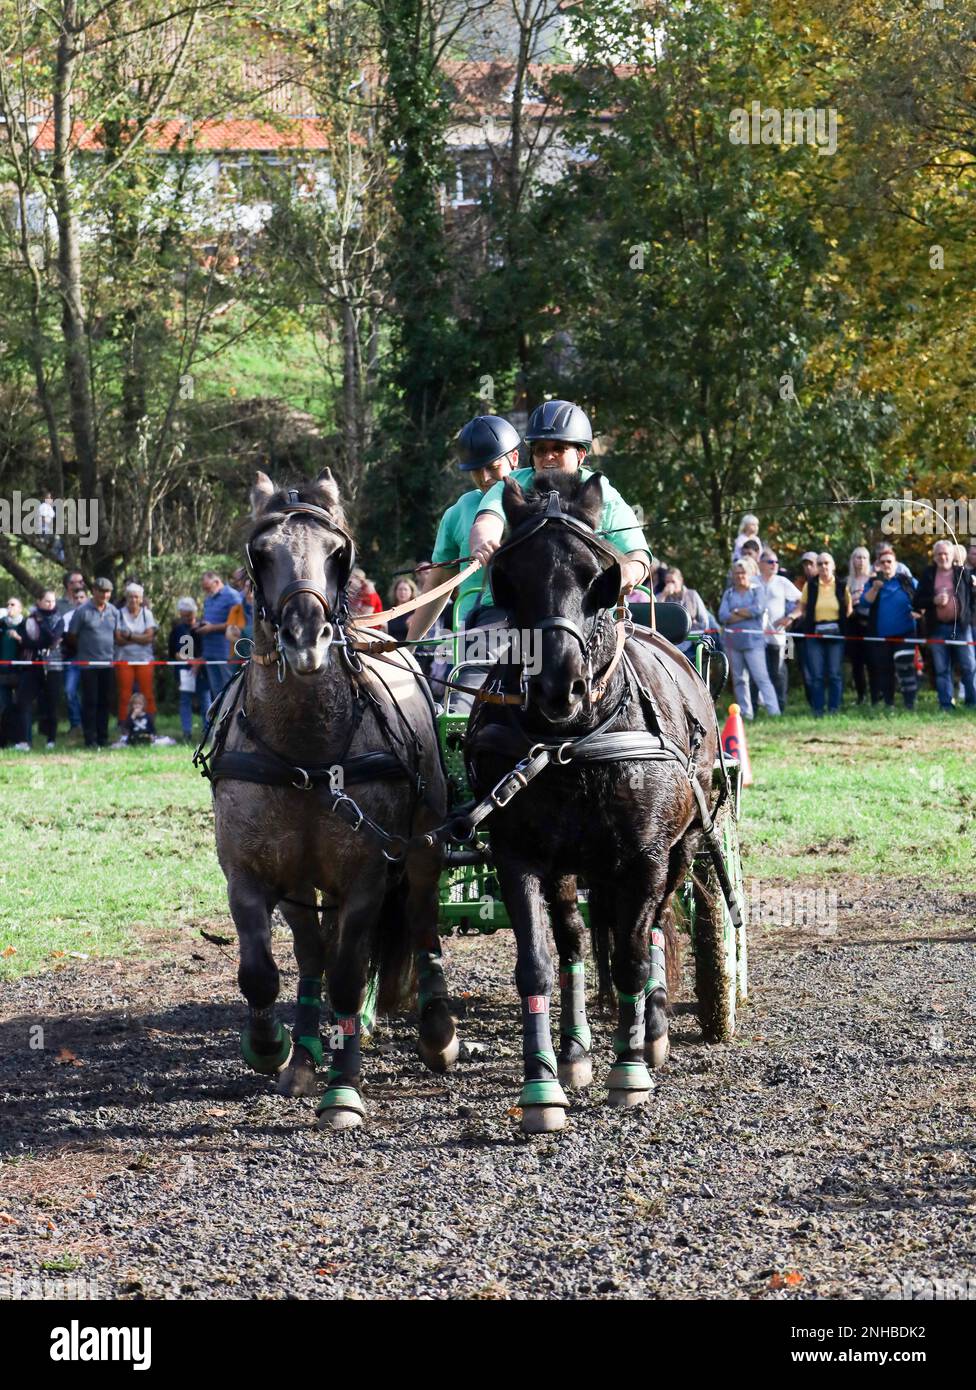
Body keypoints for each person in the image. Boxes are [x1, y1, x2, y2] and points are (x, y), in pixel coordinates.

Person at [468, 399, 652, 599]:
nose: (548, 456)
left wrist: (630, 572)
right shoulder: (510, 484)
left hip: (589, 609)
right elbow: (487, 521)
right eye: (541, 450)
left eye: (558, 448)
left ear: (580, 454)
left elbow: (638, 555)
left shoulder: (601, 490)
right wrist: (483, 542)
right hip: (511, 607)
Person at [407, 414, 521, 643]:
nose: (485, 477)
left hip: (534, 633)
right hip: (475, 637)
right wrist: (408, 648)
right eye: (476, 470)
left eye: (493, 467)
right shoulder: (457, 513)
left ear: (514, 458)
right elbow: (439, 583)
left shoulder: (542, 499)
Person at [914, 538, 976, 711]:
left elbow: (972, 599)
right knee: (942, 669)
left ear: (952, 555)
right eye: (939, 554)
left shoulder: (962, 573)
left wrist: (969, 618)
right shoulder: (928, 574)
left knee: (969, 666)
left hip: (962, 627)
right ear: (934, 557)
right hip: (937, 628)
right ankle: (946, 704)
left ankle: (972, 702)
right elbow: (917, 601)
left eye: (946, 553)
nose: (943, 557)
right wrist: (933, 600)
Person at [787, 552, 852, 716]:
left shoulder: (842, 585)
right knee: (816, 675)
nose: (823, 567)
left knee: (834, 673)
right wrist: (789, 618)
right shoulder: (811, 585)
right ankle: (817, 709)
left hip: (836, 633)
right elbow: (802, 607)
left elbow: (849, 609)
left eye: (826, 563)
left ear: (833, 566)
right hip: (814, 634)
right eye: (820, 564)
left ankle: (834, 709)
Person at [718, 559, 781, 719]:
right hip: (733, 643)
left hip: (754, 642)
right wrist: (744, 613)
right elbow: (723, 615)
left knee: (761, 677)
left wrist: (736, 611)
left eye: (743, 573)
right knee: (739, 680)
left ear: (750, 574)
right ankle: (746, 714)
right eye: (737, 573)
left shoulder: (757, 591)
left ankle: (774, 711)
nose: (740, 576)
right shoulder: (729, 593)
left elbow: (758, 609)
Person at [858, 546, 918, 712]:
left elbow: (923, 598)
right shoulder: (873, 582)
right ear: (878, 564)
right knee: (884, 670)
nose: (886, 565)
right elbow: (864, 603)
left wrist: (920, 611)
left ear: (895, 563)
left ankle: (910, 704)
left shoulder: (906, 581)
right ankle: (889, 704)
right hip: (881, 635)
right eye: (882, 562)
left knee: (905, 667)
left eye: (889, 561)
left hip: (906, 633)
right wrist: (875, 588)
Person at [65, 577, 119, 748]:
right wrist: (84, 650)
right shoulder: (82, 611)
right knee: (90, 702)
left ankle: (103, 737)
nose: (104, 594)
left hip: (108, 663)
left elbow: (117, 636)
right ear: (94, 591)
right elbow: (72, 636)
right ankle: (90, 739)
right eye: (101, 591)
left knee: (105, 702)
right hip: (88, 664)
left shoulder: (114, 611)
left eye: (108, 591)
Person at [755, 550, 800, 712]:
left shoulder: (782, 582)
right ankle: (755, 709)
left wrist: (791, 617)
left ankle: (780, 706)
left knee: (778, 671)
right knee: (757, 673)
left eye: (776, 562)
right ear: (760, 564)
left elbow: (803, 601)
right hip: (755, 636)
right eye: (770, 562)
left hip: (778, 636)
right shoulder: (752, 581)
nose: (774, 565)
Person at [21, 590, 64, 748]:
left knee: (52, 703)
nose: (50, 604)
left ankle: (51, 739)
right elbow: (27, 642)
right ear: (39, 601)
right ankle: (24, 740)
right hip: (34, 665)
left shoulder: (59, 620)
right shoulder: (30, 619)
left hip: (54, 667)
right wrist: (44, 641)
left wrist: (41, 625)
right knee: (24, 701)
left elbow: (53, 639)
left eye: (53, 601)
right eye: (47, 601)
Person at [195, 570, 242, 711]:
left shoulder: (232, 596)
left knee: (229, 688)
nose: (206, 591)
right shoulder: (208, 599)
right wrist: (202, 624)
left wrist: (212, 628)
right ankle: (220, 724)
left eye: (208, 588)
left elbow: (237, 623)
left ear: (216, 582)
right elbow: (210, 620)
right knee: (216, 691)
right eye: (204, 589)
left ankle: (231, 720)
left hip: (225, 651)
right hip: (209, 650)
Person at [114, 582, 157, 725]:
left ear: (141, 598)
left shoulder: (147, 614)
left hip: (145, 659)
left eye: (136, 597)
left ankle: (149, 722)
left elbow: (149, 638)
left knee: (147, 693)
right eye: (130, 597)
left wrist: (130, 635)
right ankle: (123, 723)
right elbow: (119, 639)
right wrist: (140, 637)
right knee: (124, 694)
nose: (133, 600)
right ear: (126, 598)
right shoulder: (119, 614)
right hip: (124, 658)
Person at [56, 572, 86, 742]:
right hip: (69, 656)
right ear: (68, 584)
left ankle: (89, 724)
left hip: (90, 655)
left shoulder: (90, 603)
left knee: (89, 692)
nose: (81, 583)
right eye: (77, 581)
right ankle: (76, 725)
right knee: (70, 691)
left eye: (82, 581)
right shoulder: (59, 606)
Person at [169, 597, 204, 743]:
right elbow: (174, 653)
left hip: (203, 670)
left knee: (206, 700)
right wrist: (188, 661)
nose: (186, 618)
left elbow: (207, 649)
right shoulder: (177, 630)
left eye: (189, 615)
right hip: (184, 670)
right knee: (185, 701)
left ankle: (209, 731)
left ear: (194, 612)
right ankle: (187, 733)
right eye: (183, 615)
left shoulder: (203, 626)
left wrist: (199, 662)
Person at [845, 546, 874, 704]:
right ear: (853, 560)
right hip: (853, 623)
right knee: (856, 662)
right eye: (858, 557)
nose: (861, 561)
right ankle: (861, 695)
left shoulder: (872, 579)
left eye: (864, 557)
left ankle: (876, 694)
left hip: (869, 623)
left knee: (872, 660)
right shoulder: (848, 581)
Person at [0, 597, 29, 749]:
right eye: (7, 604)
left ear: (20, 608)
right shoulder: (1, 624)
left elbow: (32, 643)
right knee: (4, 706)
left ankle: (24, 739)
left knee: (22, 706)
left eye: (13, 604)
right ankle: (5, 741)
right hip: (2, 671)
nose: (9, 607)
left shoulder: (26, 624)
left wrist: (18, 637)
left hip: (20, 671)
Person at [386, 577, 418, 645]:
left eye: (405, 590)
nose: (402, 592)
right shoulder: (390, 612)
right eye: (400, 589)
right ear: (395, 591)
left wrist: (410, 627)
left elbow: (421, 636)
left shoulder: (416, 612)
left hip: (410, 649)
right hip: (392, 648)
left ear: (411, 592)